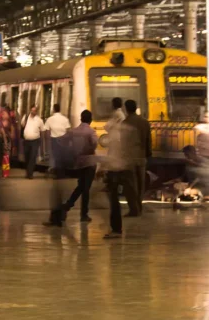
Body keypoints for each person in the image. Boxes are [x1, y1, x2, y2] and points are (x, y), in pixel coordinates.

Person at [101, 109, 137, 239]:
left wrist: (104, 167)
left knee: (114, 200)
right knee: (128, 192)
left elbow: (112, 154)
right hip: (125, 167)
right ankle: (132, 213)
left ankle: (116, 229)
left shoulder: (115, 133)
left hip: (115, 170)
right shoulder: (129, 130)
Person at [60, 110, 98, 222]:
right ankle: (83, 214)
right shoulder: (91, 132)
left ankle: (67, 206)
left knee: (81, 186)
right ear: (90, 120)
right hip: (90, 162)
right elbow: (94, 145)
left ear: (81, 119)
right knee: (85, 189)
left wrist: (72, 151)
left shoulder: (73, 131)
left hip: (78, 163)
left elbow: (62, 141)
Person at [123, 99, 151, 217]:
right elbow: (148, 140)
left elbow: (123, 143)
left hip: (130, 158)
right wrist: (148, 153)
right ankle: (139, 205)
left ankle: (134, 209)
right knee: (141, 183)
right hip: (142, 156)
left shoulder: (125, 123)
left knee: (130, 184)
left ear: (126, 109)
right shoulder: (144, 122)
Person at [22, 105, 44, 179]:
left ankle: (30, 174)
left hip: (35, 141)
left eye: (35, 110)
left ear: (36, 111)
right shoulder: (25, 117)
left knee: (32, 157)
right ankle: (28, 172)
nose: (33, 112)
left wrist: (41, 140)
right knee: (27, 157)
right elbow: (22, 125)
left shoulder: (39, 120)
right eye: (32, 110)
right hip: (26, 141)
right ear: (30, 110)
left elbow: (42, 130)